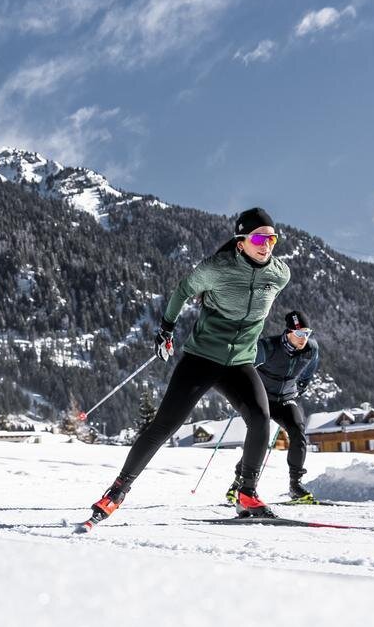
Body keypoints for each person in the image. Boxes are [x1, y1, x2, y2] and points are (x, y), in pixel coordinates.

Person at [84, 207, 292, 525]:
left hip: (239, 363)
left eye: (272, 238)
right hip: (201, 359)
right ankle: (117, 491)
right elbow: (182, 290)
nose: (266, 244)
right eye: (259, 237)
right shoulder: (216, 268)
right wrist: (166, 329)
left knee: (262, 420)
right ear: (241, 242)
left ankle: (247, 494)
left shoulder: (279, 274)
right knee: (163, 427)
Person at [229, 310, 321, 505]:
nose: (304, 338)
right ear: (287, 332)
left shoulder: (310, 349)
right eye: (299, 334)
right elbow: (244, 364)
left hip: (285, 398)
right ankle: (239, 482)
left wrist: (302, 385)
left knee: (298, 431)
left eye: (307, 333)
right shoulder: (268, 346)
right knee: (260, 435)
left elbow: (312, 367)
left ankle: (295, 485)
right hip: (261, 397)